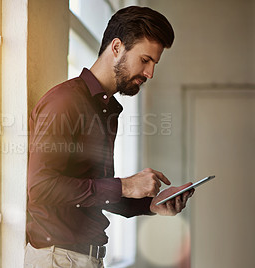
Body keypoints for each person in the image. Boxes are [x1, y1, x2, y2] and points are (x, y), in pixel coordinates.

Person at [25, 6, 194, 268]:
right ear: (116, 48)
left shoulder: (105, 109)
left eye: (153, 64)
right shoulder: (64, 101)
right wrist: (125, 185)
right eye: (145, 60)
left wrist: (152, 205)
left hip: (83, 257)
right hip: (58, 258)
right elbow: (40, 188)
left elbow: (92, 192)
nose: (150, 73)